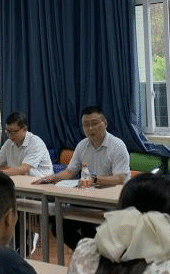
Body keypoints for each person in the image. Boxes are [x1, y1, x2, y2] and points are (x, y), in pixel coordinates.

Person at [33, 106, 132, 249]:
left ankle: (94, 254)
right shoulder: (82, 145)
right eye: (85, 125)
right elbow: (70, 172)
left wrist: (94, 179)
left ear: (105, 123)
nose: (90, 128)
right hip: (87, 198)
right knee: (59, 226)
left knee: (91, 230)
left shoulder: (117, 146)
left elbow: (120, 179)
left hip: (111, 202)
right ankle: (87, 253)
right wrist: (50, 178)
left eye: (94, 123)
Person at [0, 111, 53, 179]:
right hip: (21, 178)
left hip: (42, 181)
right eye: (8, 132)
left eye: (13, 132)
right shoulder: (9, 143)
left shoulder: (35, 142)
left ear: (24, 129)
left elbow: (23, 169)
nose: (10, 136)